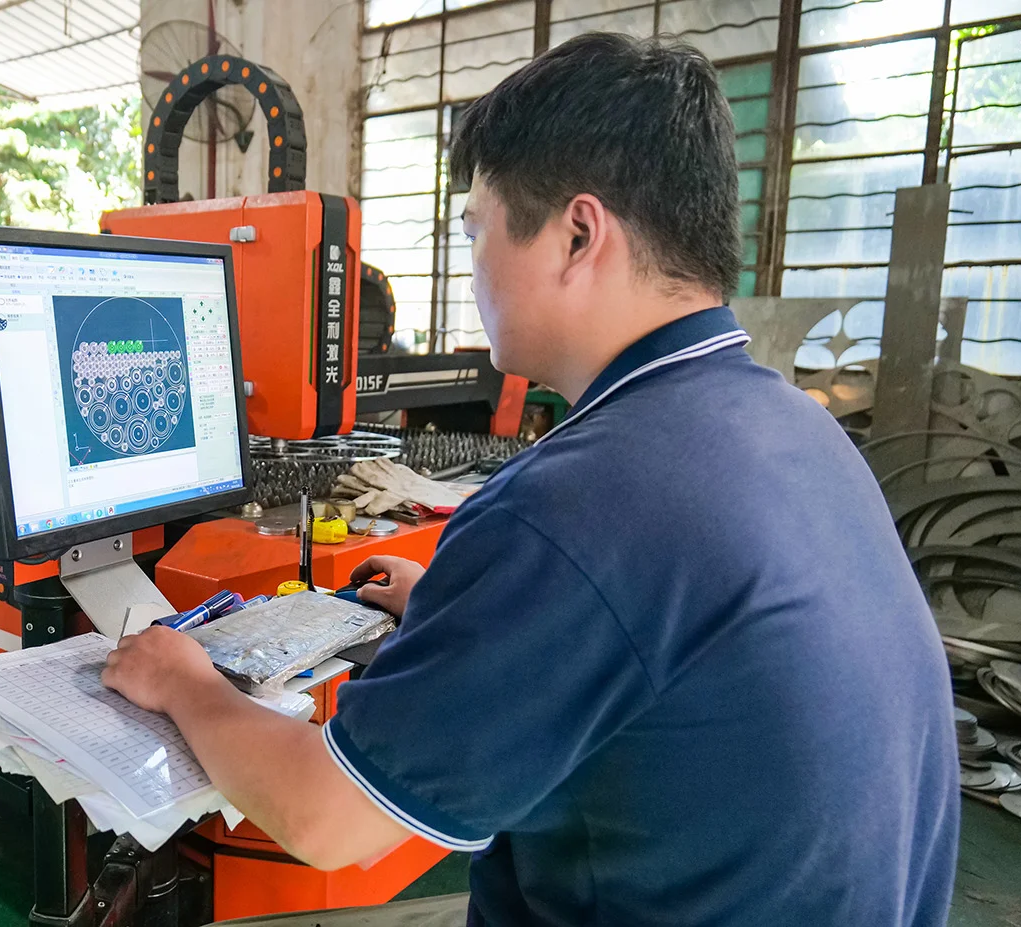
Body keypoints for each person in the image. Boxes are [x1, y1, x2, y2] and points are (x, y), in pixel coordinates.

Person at [103, 32, 959, 927]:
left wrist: (183, 679)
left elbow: (325, 818)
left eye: (476, 227)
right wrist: (469, 607)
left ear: (577, 233)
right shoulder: (796, 427)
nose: (473, 262)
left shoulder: (576, 507)